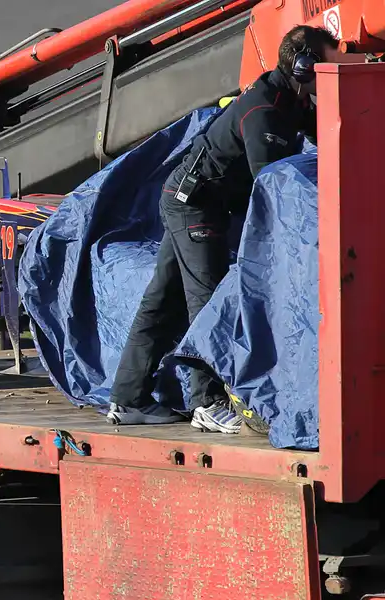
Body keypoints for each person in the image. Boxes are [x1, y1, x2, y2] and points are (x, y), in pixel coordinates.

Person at [106, 24, 341, 430]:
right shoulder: (265, 110)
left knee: (162, 302)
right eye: (330, 65)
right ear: (305, 67)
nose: (334, 73)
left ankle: (128, 401)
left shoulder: (291, 100)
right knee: (207, 300)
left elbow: (331, 133)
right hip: (194, 205)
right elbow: (271, 188)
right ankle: (207, 402)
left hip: (193, 200)